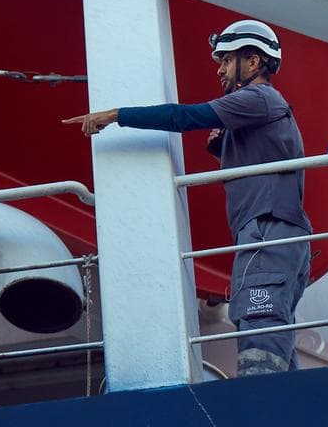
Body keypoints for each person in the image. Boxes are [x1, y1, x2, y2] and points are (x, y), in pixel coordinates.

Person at [62, 19, 313, 376]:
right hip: (276, 233)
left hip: (267, 231)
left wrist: (117, 115)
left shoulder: (258, 98)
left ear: (254, 62)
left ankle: (261, 403)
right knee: (271, 330)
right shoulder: (264, 108)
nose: (220, 69)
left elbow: (185, 116)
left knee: (260, 326)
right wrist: (222, 147)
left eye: (227, 60)